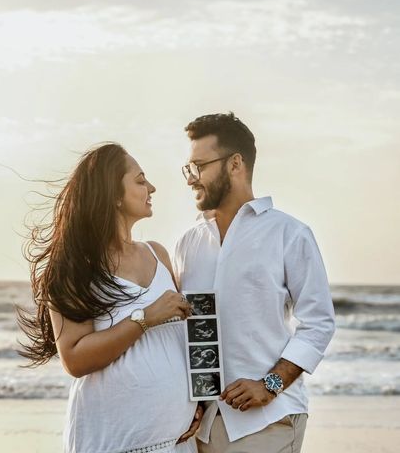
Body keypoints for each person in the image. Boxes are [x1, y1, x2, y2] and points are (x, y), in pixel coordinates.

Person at [18, 143, 202, 453]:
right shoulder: (74, 269)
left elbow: (185, 338)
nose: (152, 187)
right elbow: (74, 359)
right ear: (113, 195)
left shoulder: (158, 254)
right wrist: (145, 317)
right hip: (114, 442)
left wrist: (202, 401)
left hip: (178, 441)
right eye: (141, 180)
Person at [174, 113, 336, 453]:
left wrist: (270, 384)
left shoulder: (289, 234)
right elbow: (193, 328)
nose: (191, 179)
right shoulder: (188, 243)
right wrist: (194, 402)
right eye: (189, 168)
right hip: (201, 428)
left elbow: (319, 323)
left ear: (235, 164)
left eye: (199, 166)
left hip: (269, 421)